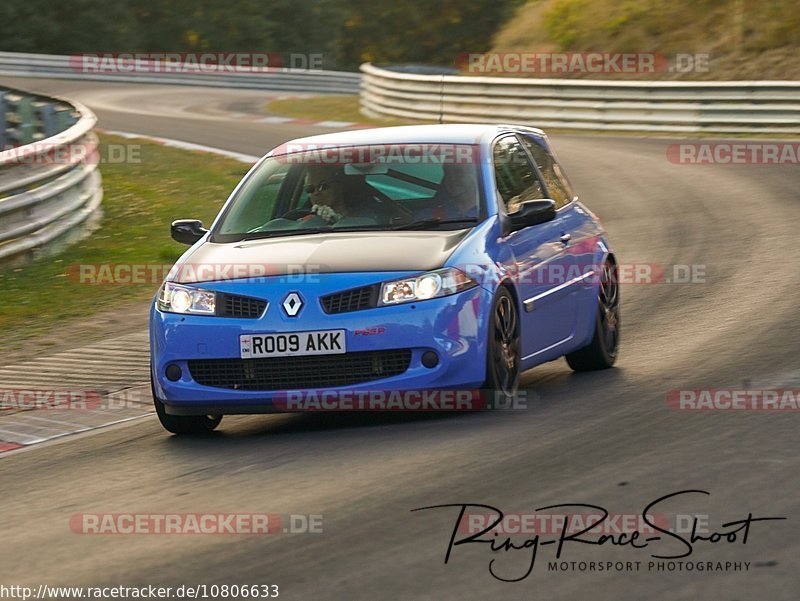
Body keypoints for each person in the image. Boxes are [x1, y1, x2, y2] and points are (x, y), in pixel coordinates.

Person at [301, 165, 379, 224]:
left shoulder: (367, 216)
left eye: (323, 186)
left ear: (339, 186)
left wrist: (338, 222)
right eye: (310, 189)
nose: (316, 193)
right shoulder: (302, 220)